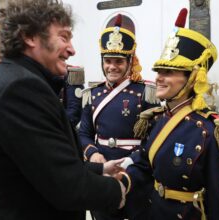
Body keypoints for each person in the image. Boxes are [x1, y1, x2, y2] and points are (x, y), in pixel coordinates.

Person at [0, 1, 127, 219]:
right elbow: (66, 185)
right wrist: (115, 191)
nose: (72, 49)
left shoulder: (11, 76)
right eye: (64, 37)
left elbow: (42, 163)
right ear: (29, 36)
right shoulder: (20, 89)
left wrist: (99, 170)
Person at [116, 8, 219, 219]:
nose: (159, 78)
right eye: (159, 72)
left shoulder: (212, 131)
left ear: (191, 79)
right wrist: (121, 183)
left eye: (168, 72)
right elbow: (145, 165)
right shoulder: (155, 119)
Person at [78, 14, 159, 220]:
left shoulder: (145, 92)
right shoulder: (92, 94)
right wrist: (93, 153)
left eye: (118, 61)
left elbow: (154, 138)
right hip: (102, 169)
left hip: (135, 169)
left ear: (129, 62)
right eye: (108, 61)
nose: (112, 67)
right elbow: (85, 133)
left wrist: (131, 160)